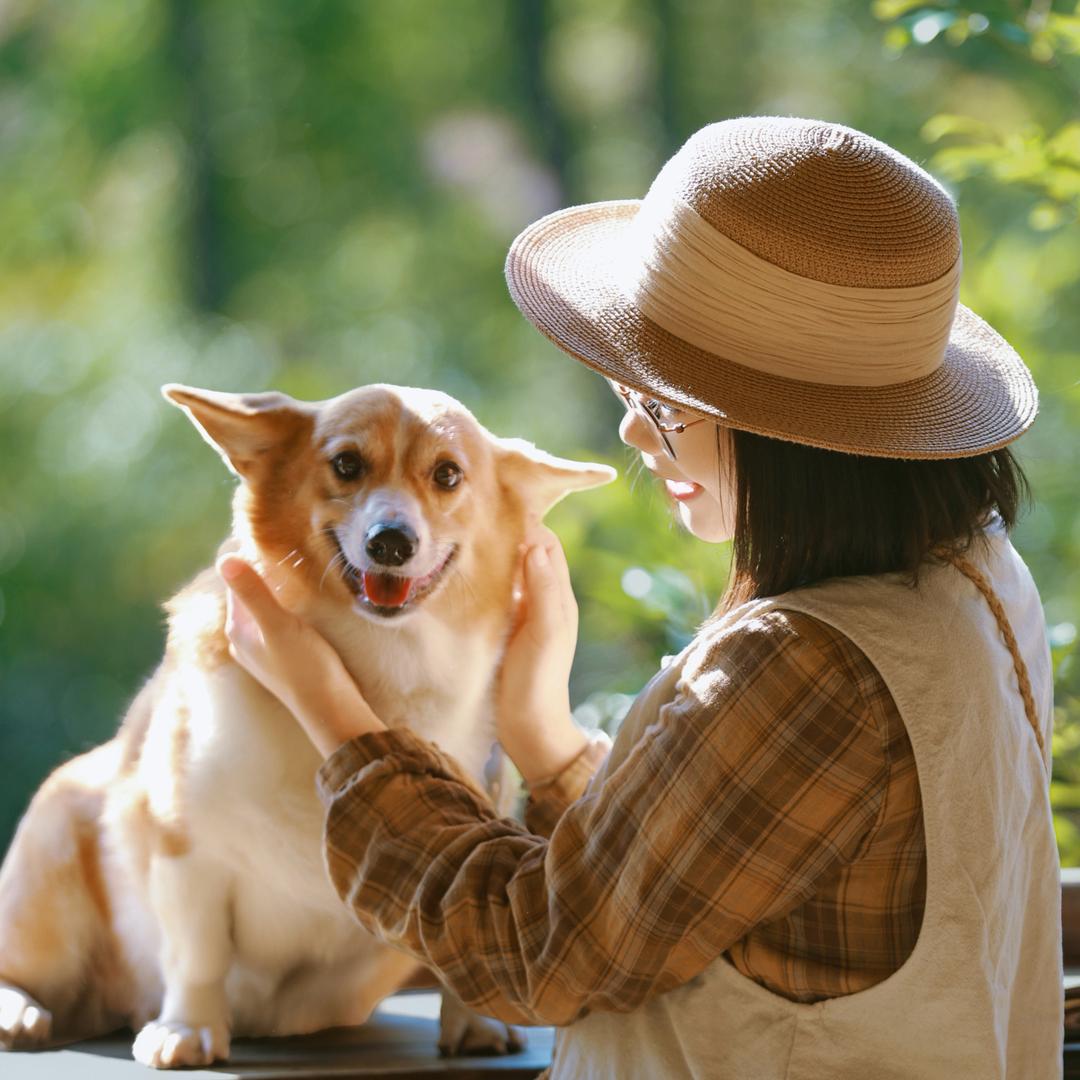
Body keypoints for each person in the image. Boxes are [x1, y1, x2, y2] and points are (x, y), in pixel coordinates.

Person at [216, 116, 1063, 1079]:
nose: (630, 426)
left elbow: (537, 954)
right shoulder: (978, 578)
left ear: (793, 433)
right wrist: (545, 740)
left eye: (664, 399)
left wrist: (334, 716)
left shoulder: (810, 667)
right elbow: (712, 885)